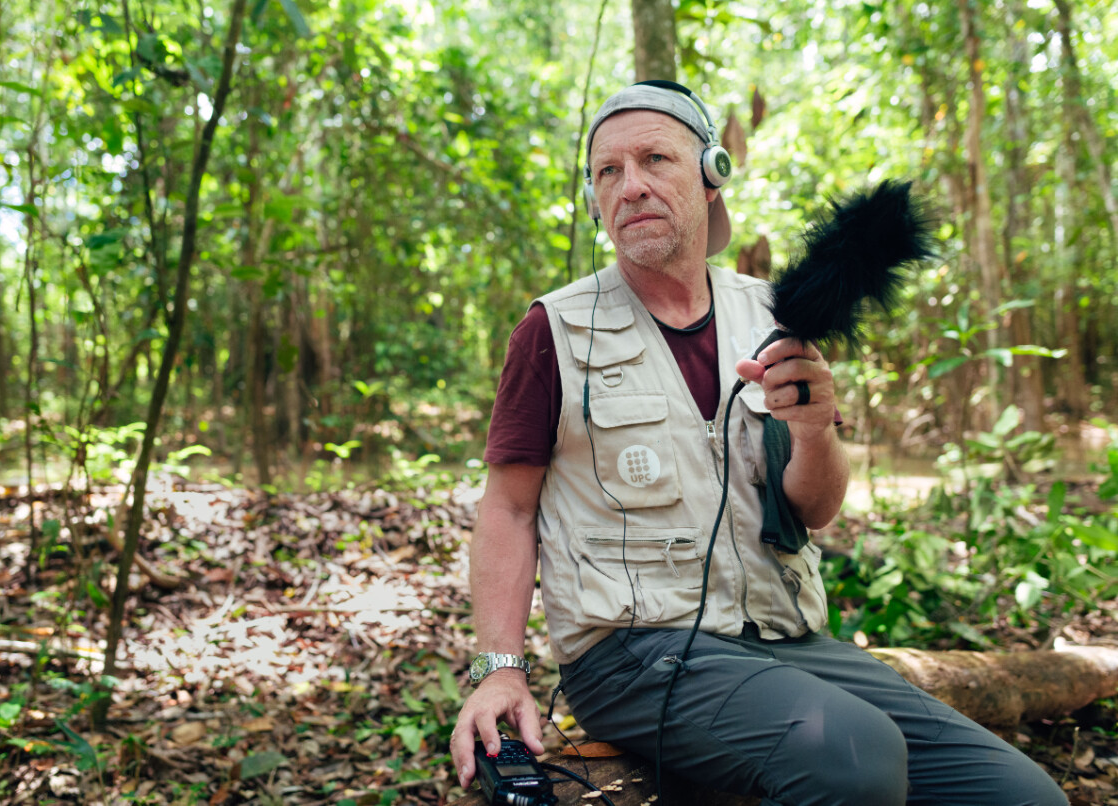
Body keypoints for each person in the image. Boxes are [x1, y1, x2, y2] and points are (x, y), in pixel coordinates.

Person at [449, 81, 1066, 806]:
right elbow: (509, 511)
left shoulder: (769, 312)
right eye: (607, 172)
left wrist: (811, 430)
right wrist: (499, 667)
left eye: (654, 159)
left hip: (785, 641)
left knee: (1020, 795)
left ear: (712, 175)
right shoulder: (553, 331)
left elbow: (815, 509)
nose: (631, 186)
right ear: (591, 198)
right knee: (852, 759)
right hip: (635, 653)